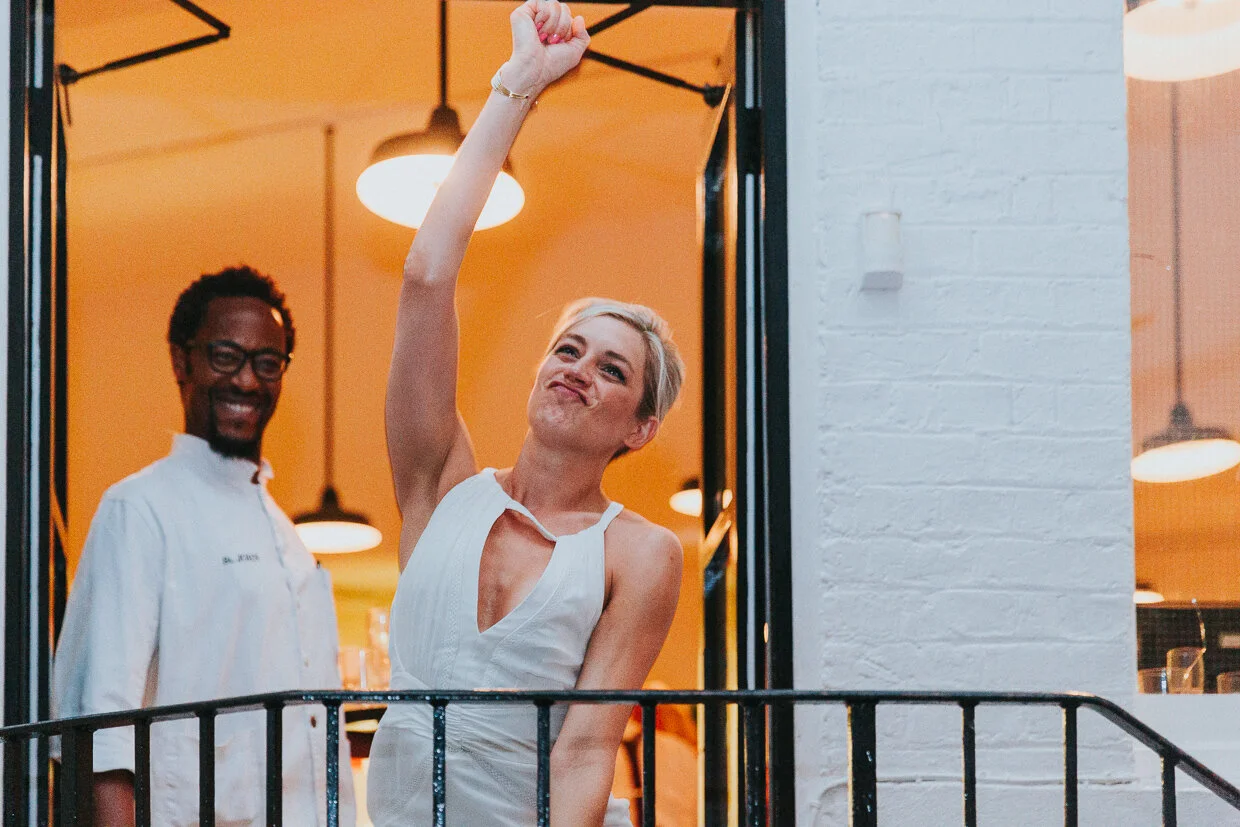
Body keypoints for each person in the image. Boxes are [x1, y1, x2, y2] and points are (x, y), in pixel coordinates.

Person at [365, 1, 686, 824]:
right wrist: (520, 85)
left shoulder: (640, 553)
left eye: (612, 368)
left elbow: (585, 748)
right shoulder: (441, 483)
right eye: (568, 349)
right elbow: (426, 276)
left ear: (638, 427)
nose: (578, 370)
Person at [52, 266, 355, 827]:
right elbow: (102, 733)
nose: (247, 381)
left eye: (268, 363)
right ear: (181, 361)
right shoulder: (140, 509)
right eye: (226, 356)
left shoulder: (288, 538)